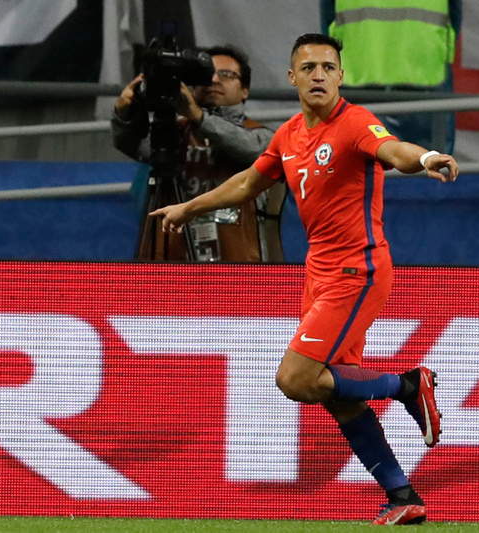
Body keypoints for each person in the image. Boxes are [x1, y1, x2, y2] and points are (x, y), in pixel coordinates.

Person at [149, 34, 459, 525]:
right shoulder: (289, 135)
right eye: (309, 67)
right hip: (318, 273)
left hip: (358, 270)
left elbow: (394, 150)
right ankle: (403, 496)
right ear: (292, 77)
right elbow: (248, 182)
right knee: (335, 393)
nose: (319, 75)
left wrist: (426, 159)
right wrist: (190, 207)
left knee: (294, 379)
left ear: (341, 77)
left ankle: (406, 386)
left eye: (328, 67)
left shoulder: (355, 122)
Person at [111, 44, 286, 263]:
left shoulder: (262, 136)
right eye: (206, 74)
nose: (214, 80)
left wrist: (199, 117)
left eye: (226, 74)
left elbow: (253, 150)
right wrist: (124, 114)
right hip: (176, 260)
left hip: (237, 265)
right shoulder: (175, 132)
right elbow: (132, 144)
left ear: (245, 91)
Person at [320, 0, 461, 153]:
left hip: (358, 74)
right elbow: (454, 15)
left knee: (355, 160)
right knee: (429, 161)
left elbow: (328, 19)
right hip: (425, 73)